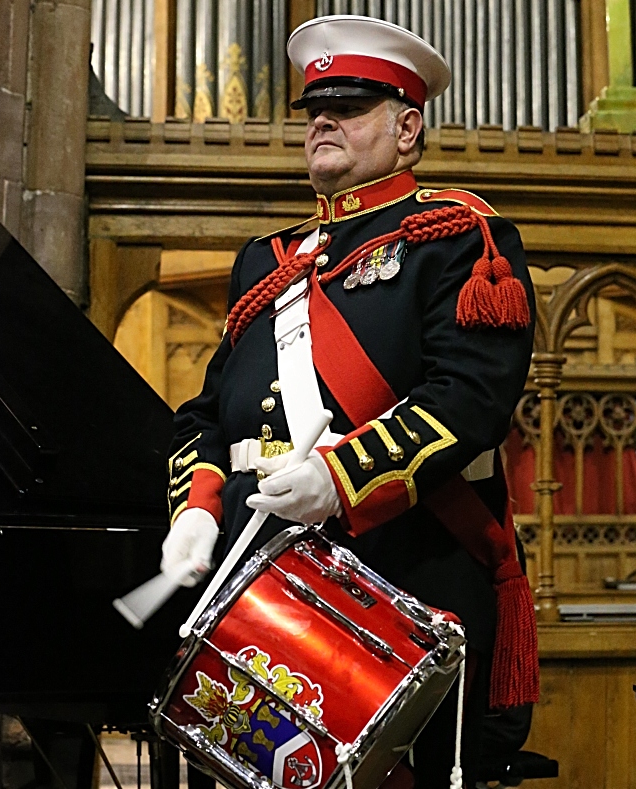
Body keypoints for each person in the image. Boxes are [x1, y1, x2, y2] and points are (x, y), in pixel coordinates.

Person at [161, 15, 538, 789]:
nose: (322, 121)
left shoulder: (459, 238)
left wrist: (339, 479)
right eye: (314, 109)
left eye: (351, 106)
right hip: (255, 585)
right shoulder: (266, 262)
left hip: (400, 583)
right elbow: (206, 416)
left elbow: (470, 400)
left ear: (407, 128)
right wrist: (196, 508)